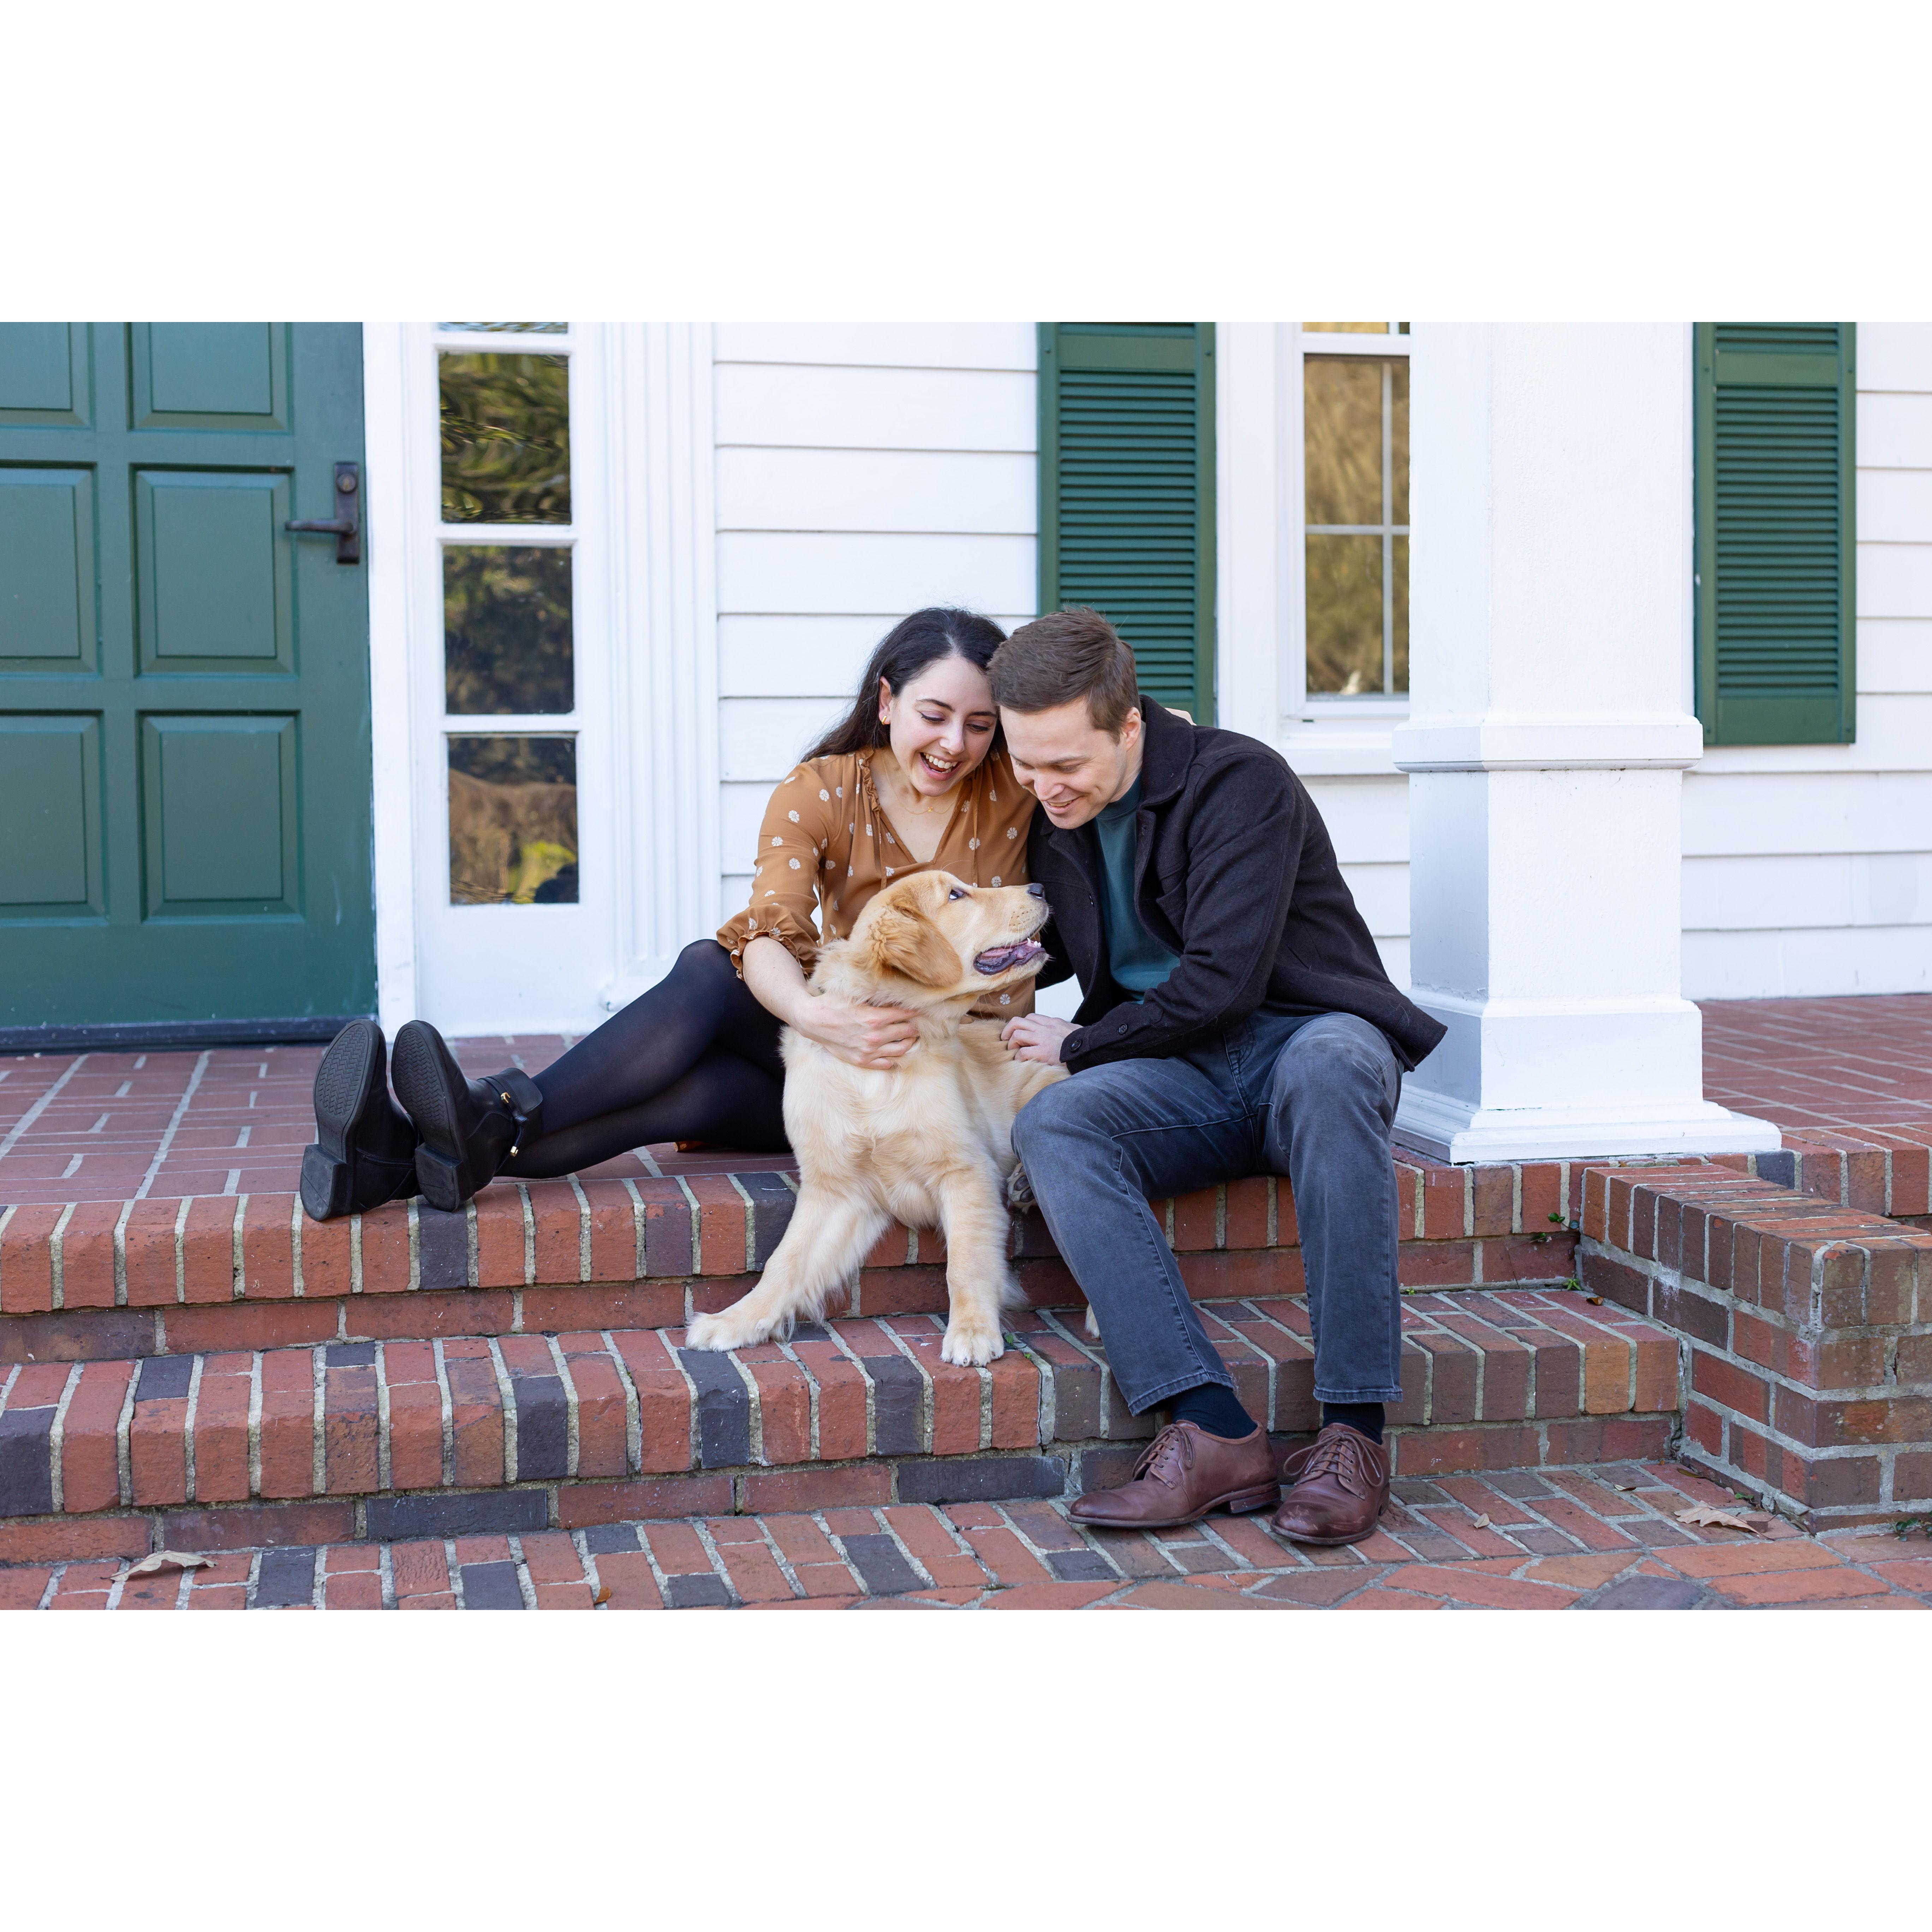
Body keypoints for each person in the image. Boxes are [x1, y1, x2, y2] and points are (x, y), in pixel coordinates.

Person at [299, 607, 1033, 1222]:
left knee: (693, 1088)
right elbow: (769, 930)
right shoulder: (824, 790)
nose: (954, 745)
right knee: (711, 975)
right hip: (845, 1055)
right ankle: (464, 1132)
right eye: (934, 716)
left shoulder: (1023, 790)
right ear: (887, 701)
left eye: (980, 725)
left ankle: (432, 1140)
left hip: (958, 1074)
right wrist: (816, 1017)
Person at [990, 608, 1447, 1547]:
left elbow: (1223, 983)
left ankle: (1354, 1436)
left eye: (1065, 764)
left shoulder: (1240, 782)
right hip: (1180, 1076)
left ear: (1129, 726)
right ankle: (1211, 1431)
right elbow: (1056, 952)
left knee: (1330, 1068)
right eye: (1025, 765)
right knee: (1057, 1126)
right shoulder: (1054, 817)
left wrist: (1078, 1045)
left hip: (1304, 1041)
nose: (1044, 786)